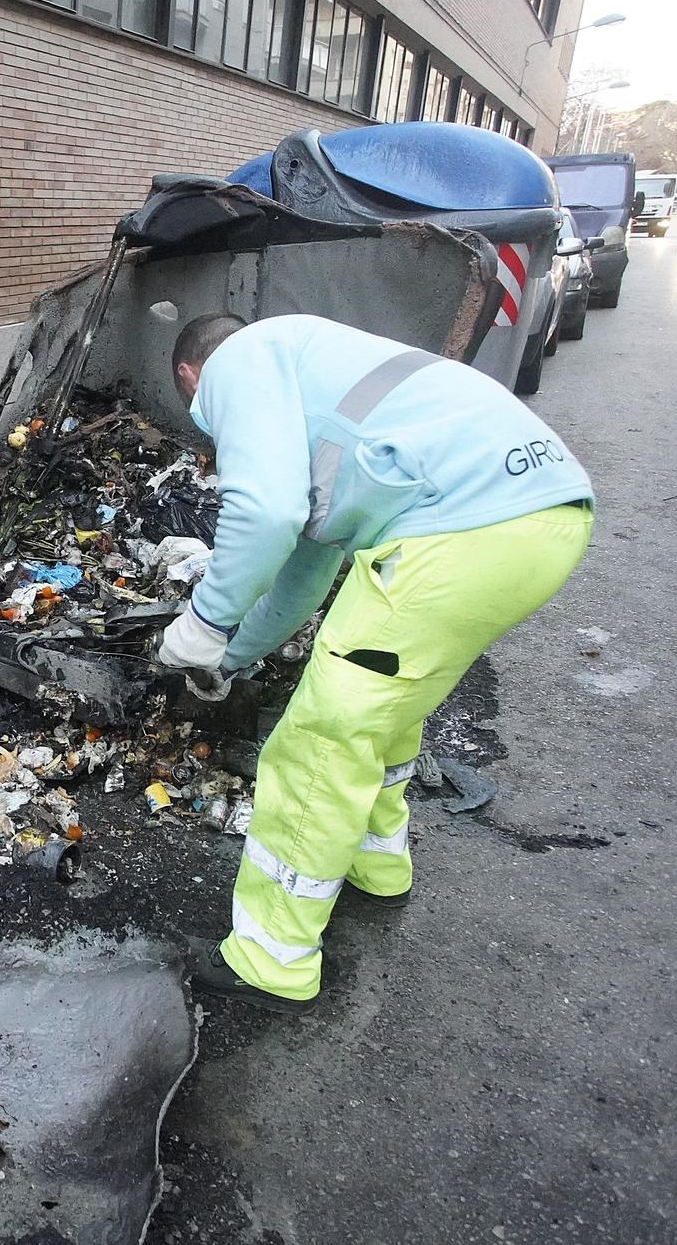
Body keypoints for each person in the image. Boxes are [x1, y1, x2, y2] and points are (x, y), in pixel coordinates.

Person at [154, 312, 594, 1015]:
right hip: (546, 515)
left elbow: (263, 515)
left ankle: (272, 957)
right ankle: (376, 863)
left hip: (464, 529)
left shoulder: (239, 361)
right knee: (385, 708)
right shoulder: (313, 374)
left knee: (320, 740)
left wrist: (200, 623)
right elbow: (301, 574)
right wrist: (230, 657)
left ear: (189, 378)